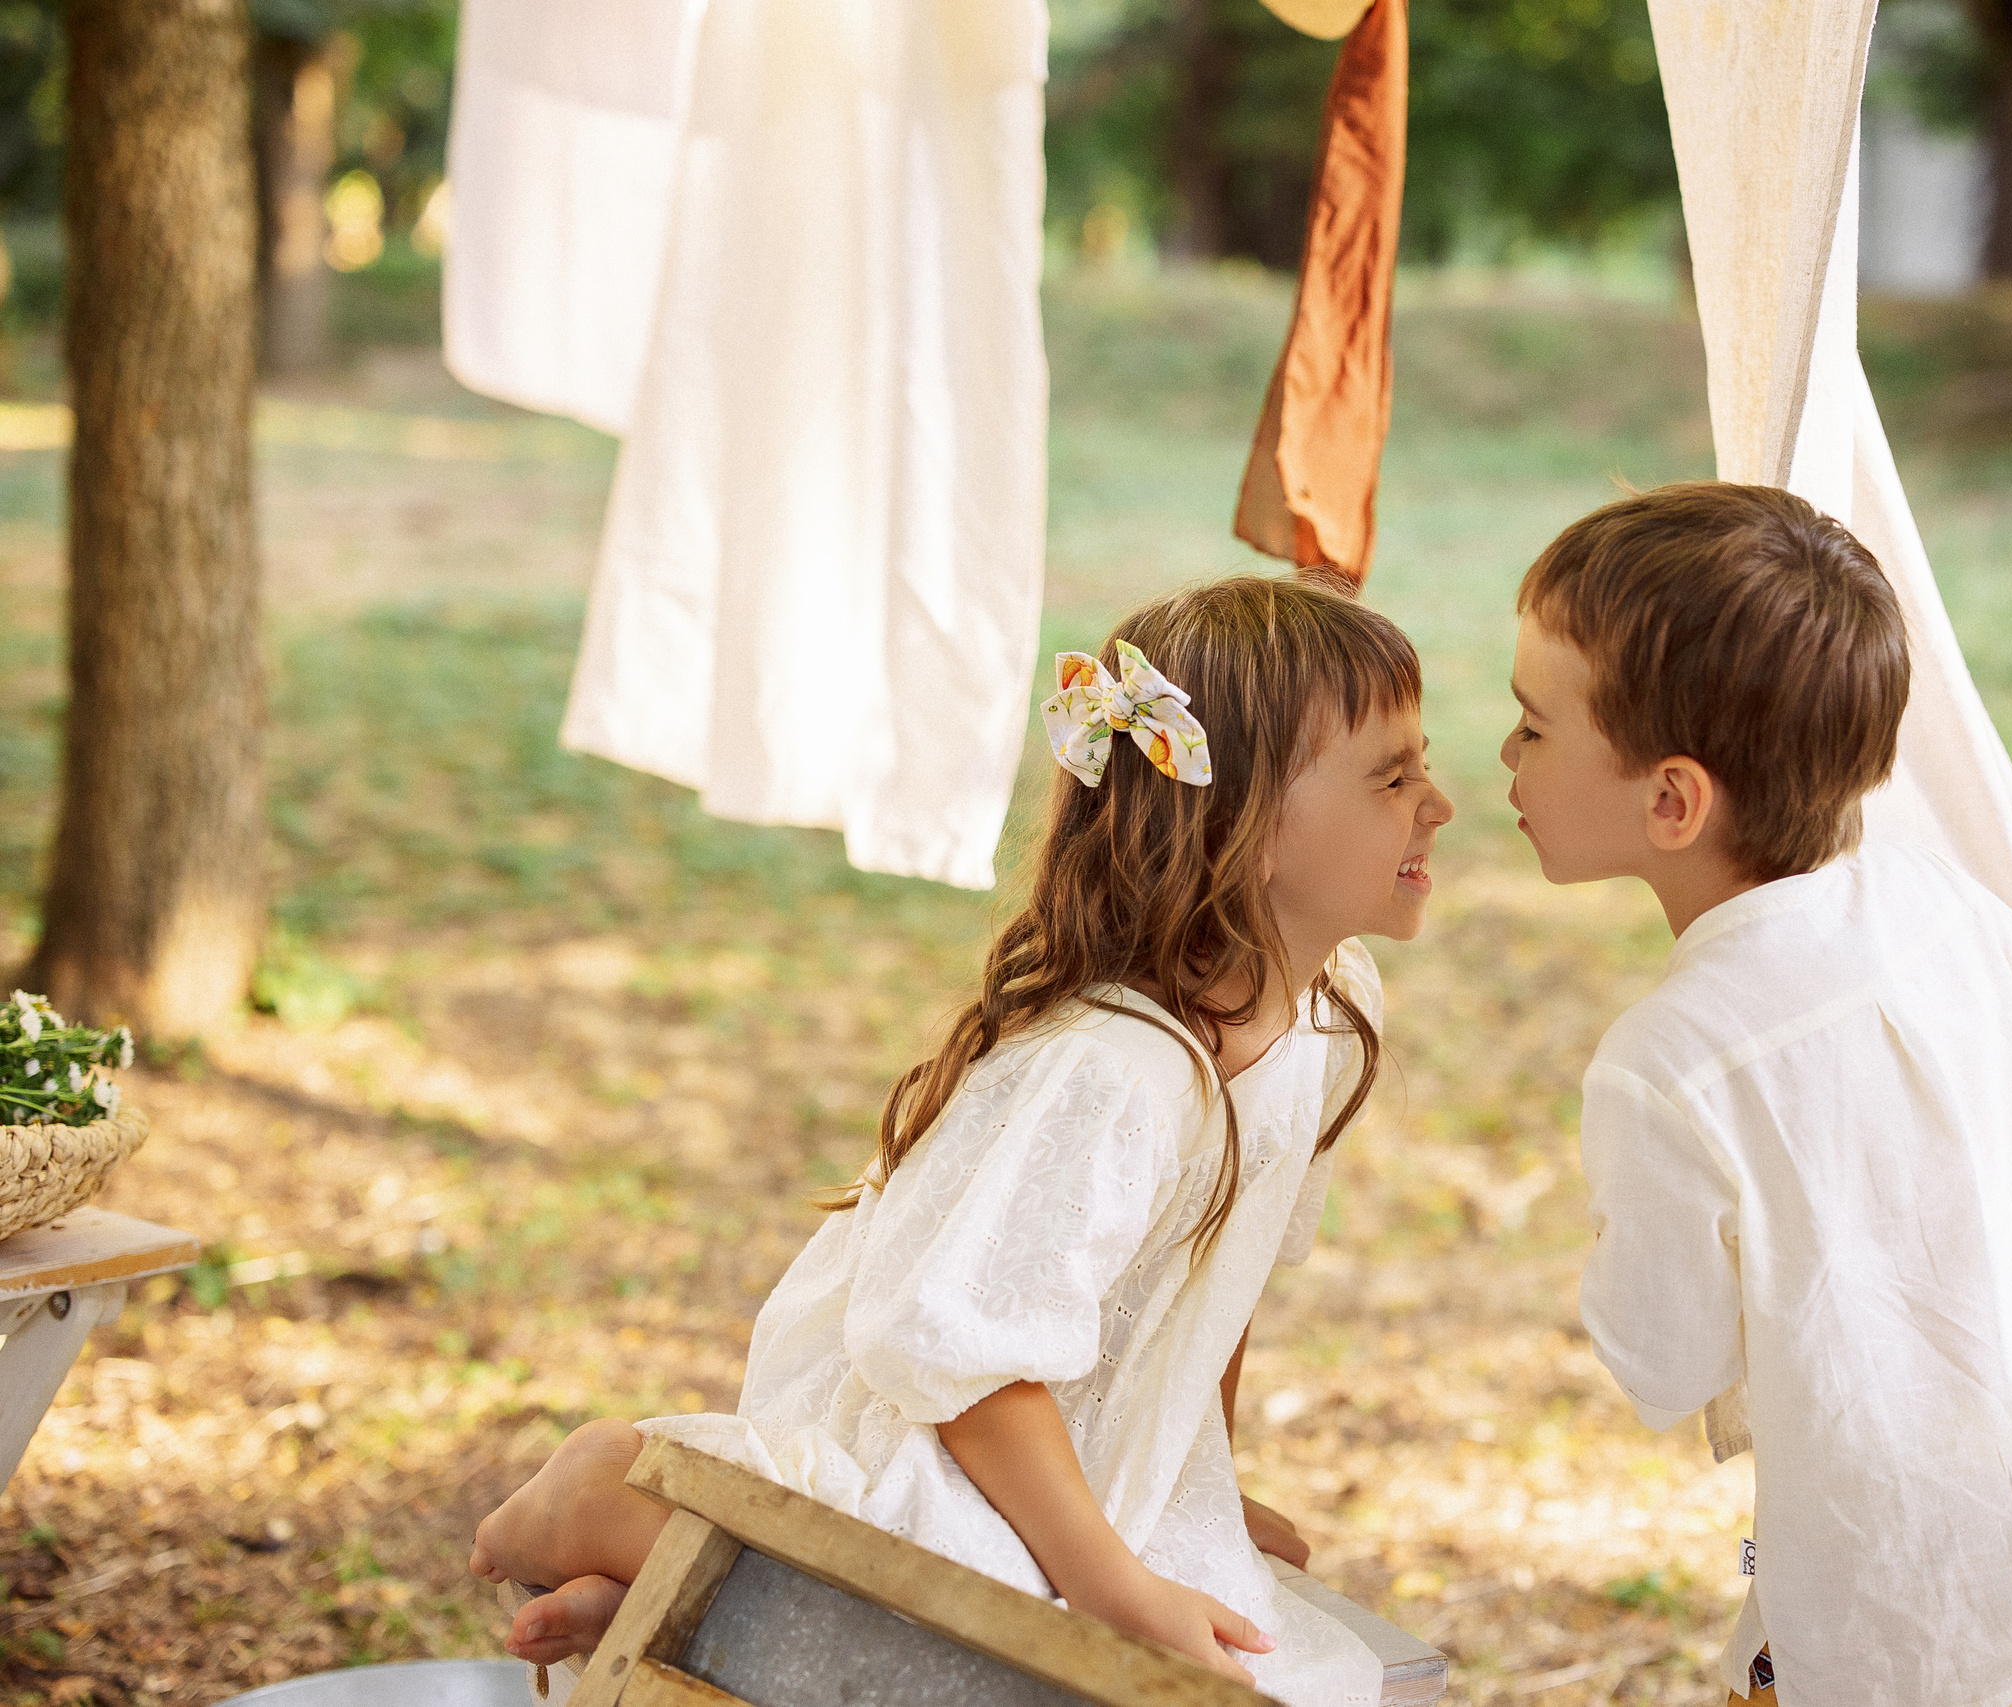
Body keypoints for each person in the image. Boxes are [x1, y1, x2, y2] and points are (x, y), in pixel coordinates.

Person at [469, 573, 1454, 1707]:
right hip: (948, 1431)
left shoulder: (1333, 1009)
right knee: (994, 1641)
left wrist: (1194, 1490)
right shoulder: (1110, 1068)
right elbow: (965, 1368)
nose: (1437, 804)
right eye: (1393, 776)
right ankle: (615, 1497)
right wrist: (1117, 1592)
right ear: (1237, 825)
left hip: (1075, 1454)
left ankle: (679, 1601)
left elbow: (1215, 1284)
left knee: (1201, 1676)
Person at [1502, 482, 2012, 1707]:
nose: (1505, 757)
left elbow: (1661, 1362)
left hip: (1879, 1628)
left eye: (1532, 726)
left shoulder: (1663, 1061)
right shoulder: (1936, 905)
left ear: (1671, 800)